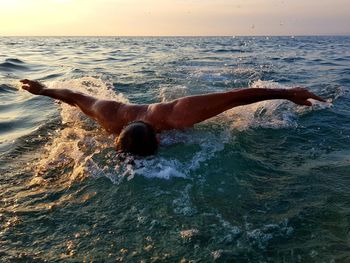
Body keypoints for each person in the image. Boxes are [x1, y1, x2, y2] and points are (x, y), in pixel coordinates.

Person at [20, 79, 325, 156]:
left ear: (159, 136)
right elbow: (73, 96)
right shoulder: (107, 114)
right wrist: (43, 89)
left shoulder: (178, 115)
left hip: (167, 112)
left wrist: (287, 93)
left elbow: (235, 97)